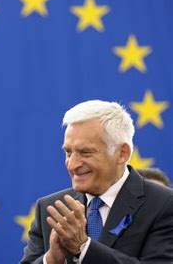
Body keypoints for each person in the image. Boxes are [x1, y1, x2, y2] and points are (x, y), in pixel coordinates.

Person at [21, 100, 173, 264]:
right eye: (68, 152)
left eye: (85, 152)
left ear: (122, 153)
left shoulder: (163, 204)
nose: (72, 165)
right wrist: (50, 259)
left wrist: (84, 248)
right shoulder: (50, 209)